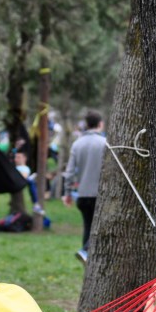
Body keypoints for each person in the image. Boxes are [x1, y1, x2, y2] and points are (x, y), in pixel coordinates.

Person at [62, 111, 106, 264]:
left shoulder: (77, 143)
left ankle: (86, 257)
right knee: (99, 228)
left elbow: (69, 172)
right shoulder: (104, 143)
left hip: (82, 195)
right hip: (99, 195)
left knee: (88, 226)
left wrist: (67, 193)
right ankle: (85, 251)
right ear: (100, 124)